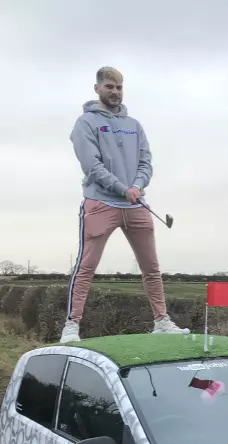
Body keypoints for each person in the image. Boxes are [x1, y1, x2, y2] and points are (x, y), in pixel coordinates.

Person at [61, 66, 189, 344]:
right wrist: (122, 188)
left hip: (136, 204)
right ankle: (71, 327)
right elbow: (91, 165)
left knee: (152, 268)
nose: (115, 92)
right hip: (100, 203)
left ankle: (161, 321)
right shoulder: (85, 123)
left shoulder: (134, 126)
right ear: (98, 89)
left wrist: (138, 186)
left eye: (119, 87)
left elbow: (146, 163)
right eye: (109, 87)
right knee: (86, 267)